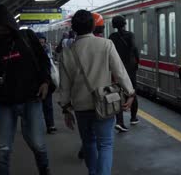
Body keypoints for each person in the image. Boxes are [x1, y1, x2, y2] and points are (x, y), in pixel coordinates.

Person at [58, 10, 135, 175]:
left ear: (74, 28)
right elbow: (120, 72)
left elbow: (64, 84)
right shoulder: (106, 44)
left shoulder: (67, 52)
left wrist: (65, 108)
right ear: (94, 26)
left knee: (88, 143)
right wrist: (130, 93)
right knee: (105, 144)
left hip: (80, 105)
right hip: (105, 103)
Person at [0, 5, 52, 175]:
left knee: (38, 143)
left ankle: (44, 169)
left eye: (1, 26)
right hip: (4, 101)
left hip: (31, 98)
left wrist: (45, 82)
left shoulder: (27, 37)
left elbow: (43, 61)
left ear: (9, 24)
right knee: (2, 149)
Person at [108, 15, 140, 132]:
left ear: (114, 25)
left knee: (117, 94)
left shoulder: (112, 37)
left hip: (117, 68)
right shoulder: (130, 35)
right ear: (124, 23)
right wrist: (137, 62)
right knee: (132, 91)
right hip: (130, 68)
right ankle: (133, 117)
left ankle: (120, 122)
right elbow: (134, 49)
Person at [37, 34, 58, 134]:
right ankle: (35, 126)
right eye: (39, 42)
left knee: (48, 105)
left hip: (47, 83)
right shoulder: (30, 53)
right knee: (35, 107)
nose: (41, 44)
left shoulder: (48, 53)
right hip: (34, 84)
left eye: (42, 42)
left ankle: (50, 125)